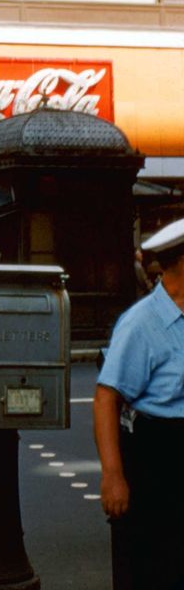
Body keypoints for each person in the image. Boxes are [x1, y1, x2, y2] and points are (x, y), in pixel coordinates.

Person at [94, 217, 184, 590]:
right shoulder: (142, 323)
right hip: (157, 456)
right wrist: (113, 475)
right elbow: (106, 399)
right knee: (155, 567)